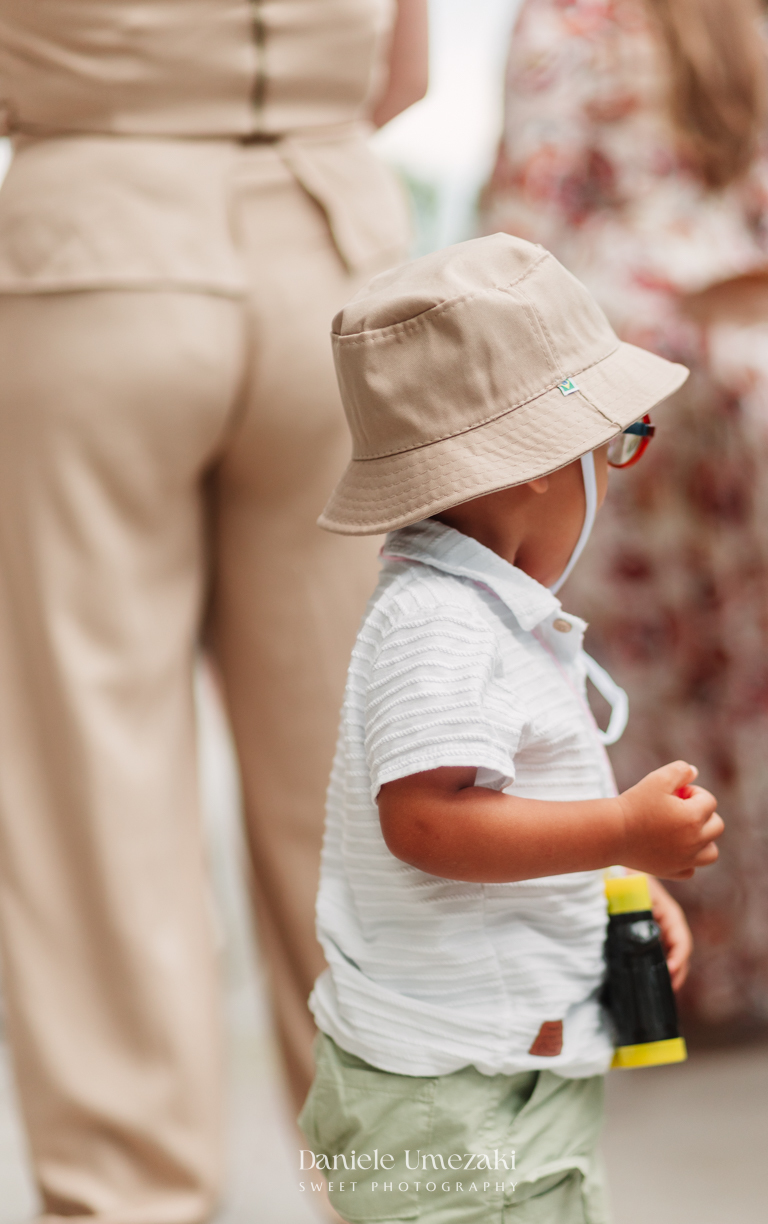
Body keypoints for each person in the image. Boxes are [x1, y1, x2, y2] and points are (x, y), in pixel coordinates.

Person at [0, 3, 427, 1223]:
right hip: (333, 266)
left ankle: (128, 1197)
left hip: (91, 243)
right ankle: (402, 1188)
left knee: (94, 779)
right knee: (359, 774)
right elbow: (404, 75)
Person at [298, 233, 722, 1224]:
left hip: (493, 1059)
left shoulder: (478, 611)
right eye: (613, 446)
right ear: (535, 464)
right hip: (455, 1097)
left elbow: (518, 799)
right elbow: (429, 825)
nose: (612, 475)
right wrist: (619, 829)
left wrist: (616, 882)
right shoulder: (438, 625)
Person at [481, 0, 768, 1029]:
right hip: (743, 368)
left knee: (633, 687)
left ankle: (660, 981)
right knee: (762, 689)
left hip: (616, 384)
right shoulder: (732, 29)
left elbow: (524, 234)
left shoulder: (564, 26)